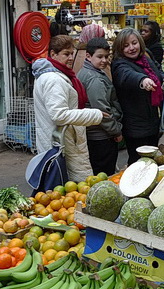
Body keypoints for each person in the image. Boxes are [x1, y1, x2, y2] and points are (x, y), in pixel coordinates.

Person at [32, 35, 105, 182]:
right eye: (66, 54)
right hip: (63, 144)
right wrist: (95, 115)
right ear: (53, 54)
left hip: (61, 140)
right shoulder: (53, 79)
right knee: (69, 188)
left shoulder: (56, 75)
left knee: (62, 189)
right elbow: (59, 115)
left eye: (72, 53)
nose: (71, 58)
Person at [111, 28, 164, 165]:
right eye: (126, 46)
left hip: (153, 119)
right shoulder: (119, 64)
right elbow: (127, 76)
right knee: (139, 161)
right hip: (136, 125)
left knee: (152, 158)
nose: (131, 48)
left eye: (134, 43)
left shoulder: (146, 57)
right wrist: (142, 80)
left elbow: (157, 69)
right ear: (120, 48)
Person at [77, 37, 123, 175]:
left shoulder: (86, 71)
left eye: (106, 57)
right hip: (100, 135)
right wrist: (116, 131)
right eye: (100, 57)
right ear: (88, 56)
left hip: (93, 133)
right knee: (104, 174)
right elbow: (102, 111)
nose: (104, 60)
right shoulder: (95, 79)